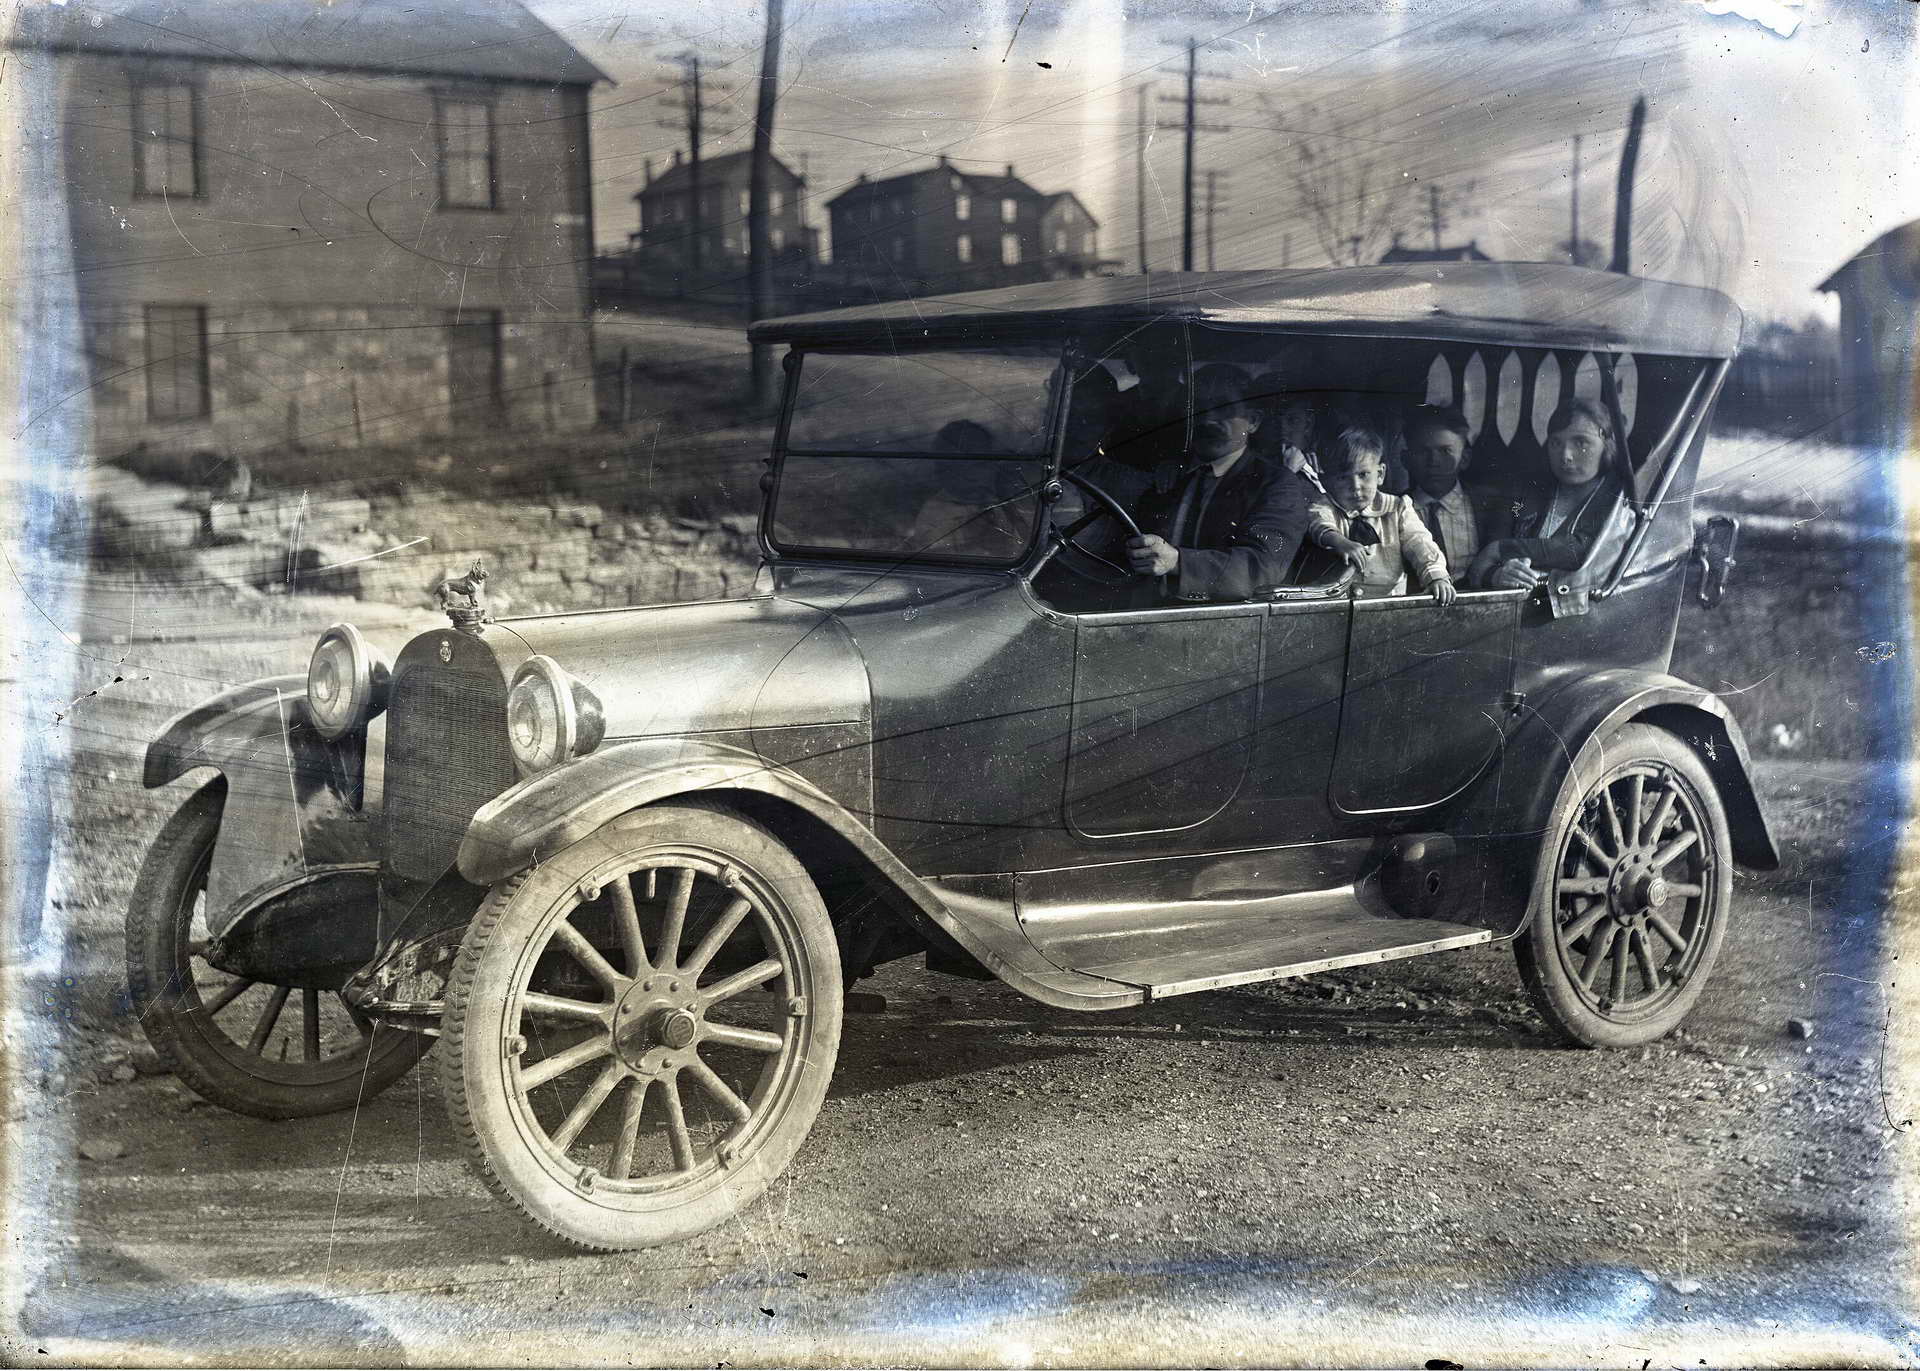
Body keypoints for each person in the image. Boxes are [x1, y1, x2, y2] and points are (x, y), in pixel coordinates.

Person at [1121, 363, 1311, 602]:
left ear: (1253, 421)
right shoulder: (1170, 474)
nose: (1208, 419)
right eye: (1199, 408)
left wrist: (1178, 562)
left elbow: (1261, 568)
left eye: (1224, 408)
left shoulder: (1277, 485)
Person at [1469, 397, 1622, 590]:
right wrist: (1496, 575)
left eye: (1581, 442)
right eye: (1556, 443)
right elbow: (1482, 563)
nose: (1565, 456)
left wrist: (1502, 549)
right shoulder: (1523, 494)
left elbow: (1586, 549)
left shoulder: (1618, 500)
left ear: (1607, 446)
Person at [1303, 426, 1456, 604]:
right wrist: (1338, 541)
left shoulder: (1397, 508)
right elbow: (1318, 522)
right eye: (1343, 477)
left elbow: (1420, 543)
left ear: (1380, 474)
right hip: (1339, 604)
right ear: (1327, 480)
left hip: (1389, 603)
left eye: (1363, 474)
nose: (1356, 486)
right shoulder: (1326, 506)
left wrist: (1436, 577)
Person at [1401, 403, 1482, 582]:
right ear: (1406, 460)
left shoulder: (1487, 505)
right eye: (1423, 451)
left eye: (1445, 451)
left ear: (1465, 459)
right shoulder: (1394, 510)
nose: (1434, 461)